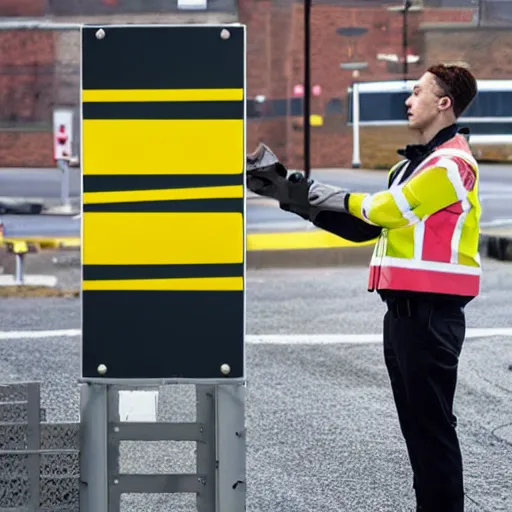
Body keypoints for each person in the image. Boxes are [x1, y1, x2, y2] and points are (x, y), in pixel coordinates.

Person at [246, 63, 481, 512]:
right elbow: (362, 228)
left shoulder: (453, 165)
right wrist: (290, 197)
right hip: (403, 317)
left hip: (432, 318)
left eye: (417, 92)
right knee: (418, 430)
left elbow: (383, 210)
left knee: (432, 434)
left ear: (443, 102)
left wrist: (306, 187)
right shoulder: (412, 166)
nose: (408, 100)